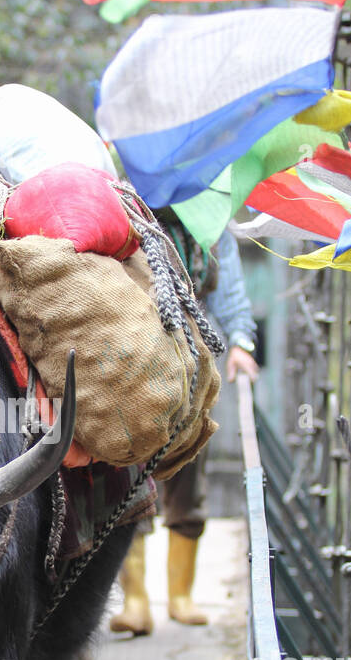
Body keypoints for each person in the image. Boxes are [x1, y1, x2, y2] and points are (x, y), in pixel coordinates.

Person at [110, 222, 259, 635]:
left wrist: (242, 342)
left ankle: (181, 595)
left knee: (189, 468)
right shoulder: (126, 205)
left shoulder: (209, 218)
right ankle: (136, 598)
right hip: (133, 354)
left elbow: (229, 286)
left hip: (193, 361)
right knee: (128, 472)